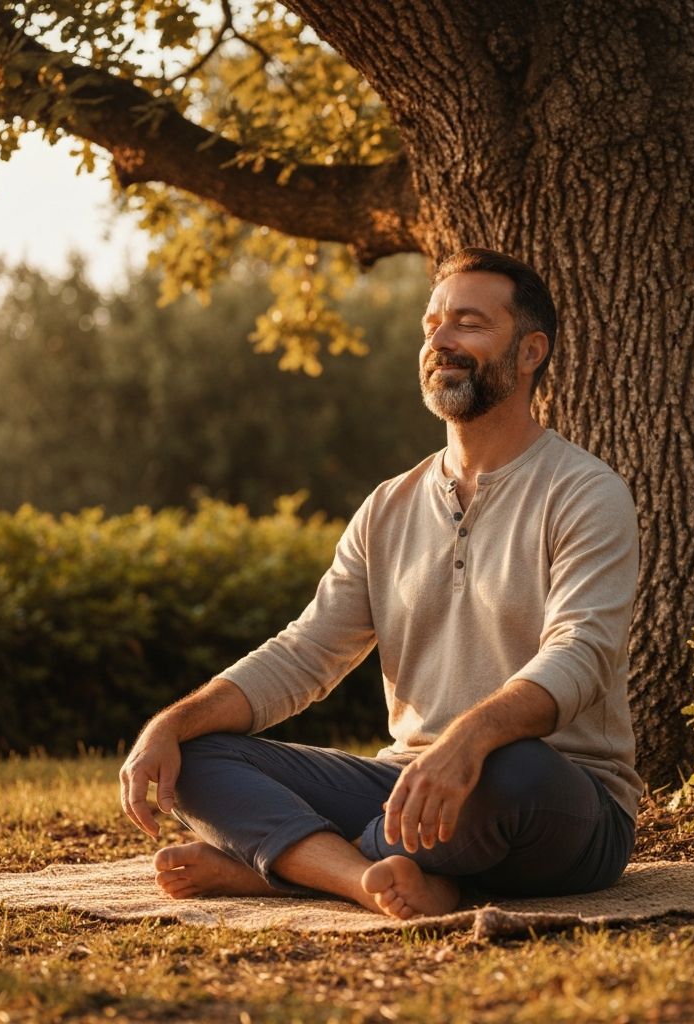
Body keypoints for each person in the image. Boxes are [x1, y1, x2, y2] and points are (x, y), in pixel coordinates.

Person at [119, 247, 643, 920]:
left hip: (557, 798)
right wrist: (171, 723)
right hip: (404, 789)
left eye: (469, 323)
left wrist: (470, 739)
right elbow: (306, 652)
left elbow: (580, 653)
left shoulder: (585, 492)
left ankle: (285, 871)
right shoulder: (388, 506)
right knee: (194, 756)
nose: (441, 340)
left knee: (515, 769)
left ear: (530, 351)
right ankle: (366, 878)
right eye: (432, 325)